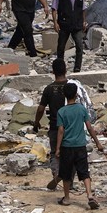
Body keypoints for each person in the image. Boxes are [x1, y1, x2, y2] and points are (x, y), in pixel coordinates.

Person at [55, 82, 105, 210]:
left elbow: (61, 131)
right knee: (84, 172)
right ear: (77, 95)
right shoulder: (82, 109)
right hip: (80, 146)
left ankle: (66, 198)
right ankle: (89, 195)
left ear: (64, 95)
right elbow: (89, 127)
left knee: (66, 173)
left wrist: (57, 148)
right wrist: (97, 143)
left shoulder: (61, 111)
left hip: (67, 146)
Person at [35, 58, 75, 190]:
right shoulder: (72, 87)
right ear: (65, 70)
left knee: (55, 153)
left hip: (54, 127)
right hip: (70, 127)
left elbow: (41, 108)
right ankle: (69, 181)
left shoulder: (49, 89)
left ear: (53, 71)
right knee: (71, 153)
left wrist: (36, 123)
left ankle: (57, 175)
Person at [51, 0, 87, 72]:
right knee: (61, 47)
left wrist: (84, 21)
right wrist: (55, 23)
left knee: (79, 46)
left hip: (77, 24)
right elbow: (54, 9)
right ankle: (60, 68)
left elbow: (83, 9)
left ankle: (77, 67)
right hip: (64, 24)